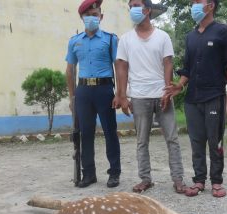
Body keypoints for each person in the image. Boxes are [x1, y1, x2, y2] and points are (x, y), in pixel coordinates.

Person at [164, 0, 227, 198]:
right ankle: (199, 180)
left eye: (198, 1)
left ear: (211, 5)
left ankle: (216, 181)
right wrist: (179, 85)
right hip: (192, 99)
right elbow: (187, 68)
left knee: (215, 141)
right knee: (196, 142)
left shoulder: (224, 32)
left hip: (214, 95)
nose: (193, 5)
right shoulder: (191, 36)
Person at [113, 0, 187, 194]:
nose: (132, 9)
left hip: (161, 96)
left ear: (147, 9)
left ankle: (178, 179)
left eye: (136, 5)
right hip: (138, 96)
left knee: (172, 138)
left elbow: (168, 64)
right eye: (130, 7)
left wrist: (167, 90)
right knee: (141, 141)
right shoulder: (126, 39)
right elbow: (121, 68)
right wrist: (122, 96)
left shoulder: (162, 37)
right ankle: (145, 179)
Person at [65, 0, 121, 188]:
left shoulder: (110, 39)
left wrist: (119, 93)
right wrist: (72, 97)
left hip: (104, 90)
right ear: (82, 17)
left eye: (95, 15)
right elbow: (70, 70)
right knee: (85, 133)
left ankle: (114, 173)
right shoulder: (75, 41)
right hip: (83, 92)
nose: (91, 18)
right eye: (87, 15)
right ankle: (88, 174)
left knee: (109, 132)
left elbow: (119, 67)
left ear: (101, 17)